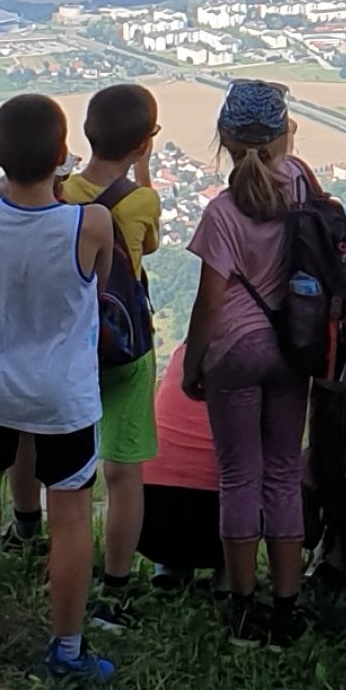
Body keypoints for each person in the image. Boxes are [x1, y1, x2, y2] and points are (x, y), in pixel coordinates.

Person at [0, 94, 117, 682]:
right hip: (63, 394)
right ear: (64, 156)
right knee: (69, 513)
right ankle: (66, 649)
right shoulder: (90, 223)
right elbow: (102, 283)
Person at [182, 81, 315, 649]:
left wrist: (194, 363)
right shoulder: (303, 186)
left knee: (240, 475)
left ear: (225, 140)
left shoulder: (221, 212)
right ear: (287, 133)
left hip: (236, 348)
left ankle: (242, 609)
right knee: (284, 472)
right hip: (294, 342)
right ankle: (286, 611)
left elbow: (210, 300)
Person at [57, 83, 163, 628]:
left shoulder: (63, 193)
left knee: (68, 466)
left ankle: (56, 558)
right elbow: (152, 247)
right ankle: (116, 584)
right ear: (143, 143)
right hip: (125, 348)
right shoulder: (141, 200)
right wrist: (142, 175)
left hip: (71, 347)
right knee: (125, 474)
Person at [138, 342, 222, 594]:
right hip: (220, 527)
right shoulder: (255, 356)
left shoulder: (181, 354)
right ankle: (230, 575)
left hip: (149, 522)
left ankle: (169, 568)